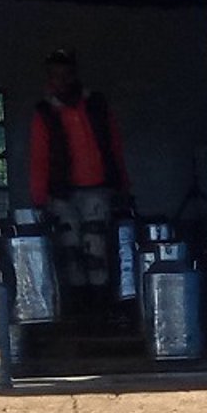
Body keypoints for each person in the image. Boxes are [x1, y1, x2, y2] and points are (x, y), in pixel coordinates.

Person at [29, 48, 132, 315]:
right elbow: (39, 156)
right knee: (71, 248)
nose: (61, 81)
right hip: (62, 193)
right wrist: (40, 198)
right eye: (55, 76)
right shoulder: (45, 113)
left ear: (73, 75)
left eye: (65, 74)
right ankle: (81, 308)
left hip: (96, 188)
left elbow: (114, 145)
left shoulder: (96, 105)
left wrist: (121, 184)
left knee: (96, 247)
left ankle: (100, 306)